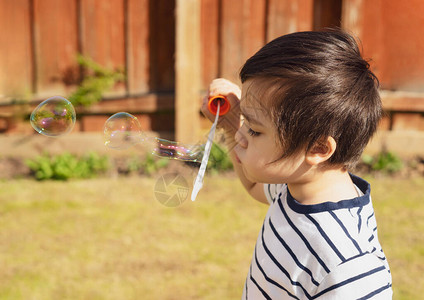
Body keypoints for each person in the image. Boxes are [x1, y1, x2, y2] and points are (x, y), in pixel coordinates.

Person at [201, 30, 393, 299]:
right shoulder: (298, 186)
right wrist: (232, 121)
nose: (242, 136)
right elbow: (254, 185)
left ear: (317, 148)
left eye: (255, 130)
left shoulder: (349, 267)